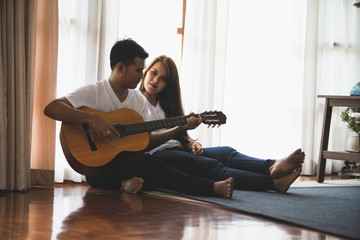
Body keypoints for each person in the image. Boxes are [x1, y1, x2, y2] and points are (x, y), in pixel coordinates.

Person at [44, 39, 233, 198]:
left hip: (125, 163)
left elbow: (146, 142)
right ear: (120, 67)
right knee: (138, 170)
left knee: (152, 171)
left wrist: (178, 129)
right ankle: (209, 188)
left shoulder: (137, 100)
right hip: (98, 167)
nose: (142, 76)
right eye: (138, 70)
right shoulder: (95, 91)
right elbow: (52, 108)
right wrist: (91, 118)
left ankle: (121, 184)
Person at [137, 55, 305, 194]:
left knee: (226, 152)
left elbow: (179, 136)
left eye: (163, 79)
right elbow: (146, 141)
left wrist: (190, 143)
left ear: (168, 84)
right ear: (145, 71)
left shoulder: (166, 104)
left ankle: (271, 166)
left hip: (177, 149)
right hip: (157, 154)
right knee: (212, 166)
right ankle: (273, 183)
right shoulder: (135, 101)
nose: (155, 80)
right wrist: (178, 130)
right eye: (153, 73)